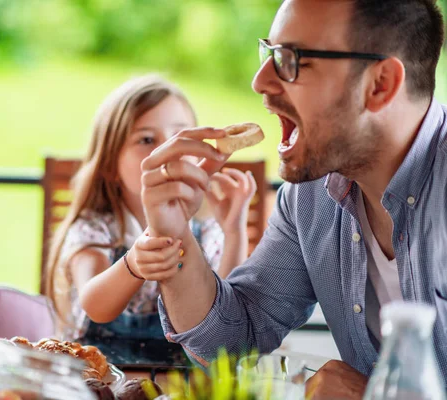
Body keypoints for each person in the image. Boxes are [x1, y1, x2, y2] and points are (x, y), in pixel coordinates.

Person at [136, 0, 447, 399]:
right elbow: (231, 341)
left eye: (291, 59)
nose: (260, 80)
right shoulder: (310, 197)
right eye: (269, 52)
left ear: (380, 84)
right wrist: (174, 231)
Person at [44, 74, 257, 340]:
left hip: (179, 380)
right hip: (101, 375)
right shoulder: (95, 228)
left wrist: (234, 232)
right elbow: (94, 305)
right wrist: (133, 264)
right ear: (111, 164)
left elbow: (225, 319)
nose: (168, 151)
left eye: (181, 137)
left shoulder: (205, 227)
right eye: (147, 140)